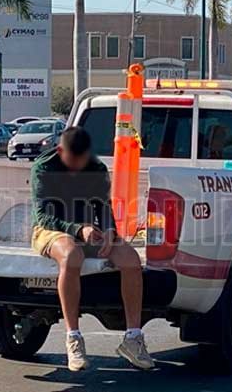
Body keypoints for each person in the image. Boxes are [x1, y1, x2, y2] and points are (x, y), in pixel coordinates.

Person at [31, 127, 155, 372]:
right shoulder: (43, 168)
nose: (79, 167)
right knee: (72, 255)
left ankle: (133, 339)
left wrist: (109, 230)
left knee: (130, 259)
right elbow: (43, 217)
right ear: (60, 151)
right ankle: (73, 339)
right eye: (73, 161)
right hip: (51, 230)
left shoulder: (96, 168)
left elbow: (103, 206)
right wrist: (78, 230)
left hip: (89, 230)